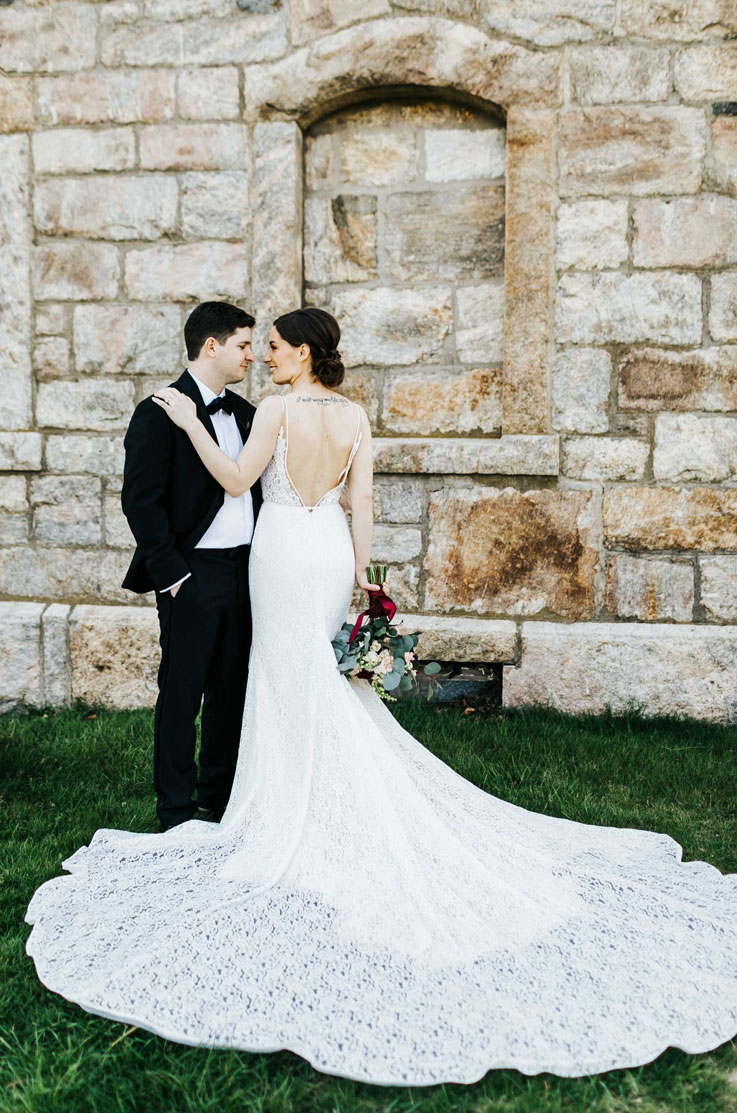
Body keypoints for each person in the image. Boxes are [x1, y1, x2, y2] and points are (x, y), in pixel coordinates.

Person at [25, 308, 737, 1086]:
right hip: (329, 552)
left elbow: (235, 480)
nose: (264, 354)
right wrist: (365, 580)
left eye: (273, 345)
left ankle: (281, 804)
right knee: (321, 679)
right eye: (255, 344)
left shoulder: (274, 408)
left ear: (300, 354)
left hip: (281, 554)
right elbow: (362, 506)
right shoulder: (356, 413)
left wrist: (196, 425)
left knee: (284, 676)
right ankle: (279, 790)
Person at [120, 301, 263, 831]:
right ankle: (176, 810)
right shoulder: (158, 411)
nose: (252, 355)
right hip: (192, 575)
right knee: (182, 693)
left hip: (245, 572)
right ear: (212, 346)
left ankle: (219, 798)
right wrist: (174, 576)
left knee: (232, 690)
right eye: (244, 345)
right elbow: (140, 500)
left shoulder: (247, 414)